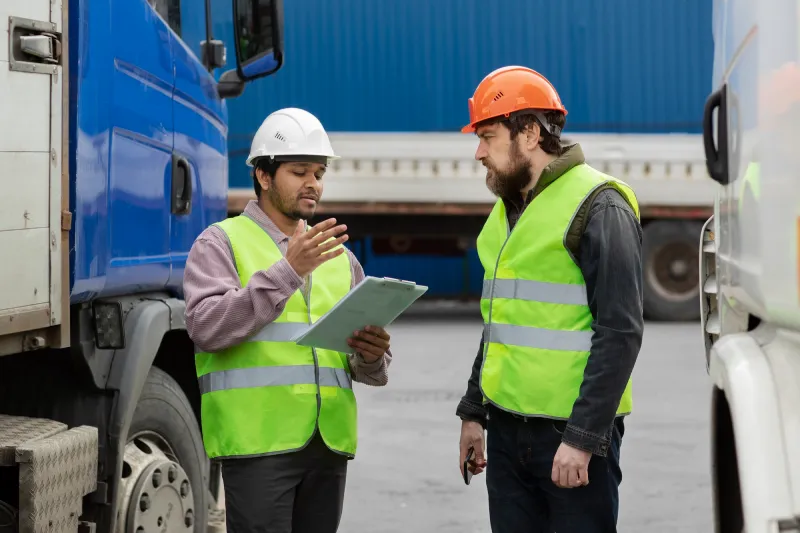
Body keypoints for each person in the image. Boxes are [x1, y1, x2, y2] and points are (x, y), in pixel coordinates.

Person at [183, 107, 393, 533]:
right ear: (263, 175)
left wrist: (372, 356)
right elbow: (206, 327)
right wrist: (288, 272)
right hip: (256, 445)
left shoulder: (340, 258)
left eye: (319, 173)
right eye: (299, 172)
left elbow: (369, 369)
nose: (313, 183)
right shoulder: (220, 243)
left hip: (327, 446)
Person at [455, 66, 644, 532]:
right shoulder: (506, 212)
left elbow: (620, 332)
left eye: (488, 137)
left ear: (530, 133)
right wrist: (474, 412)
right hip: (506, 433)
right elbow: (500, 322)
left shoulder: (600, 204)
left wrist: (582, 438)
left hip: (570, 437)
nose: (479, 153)